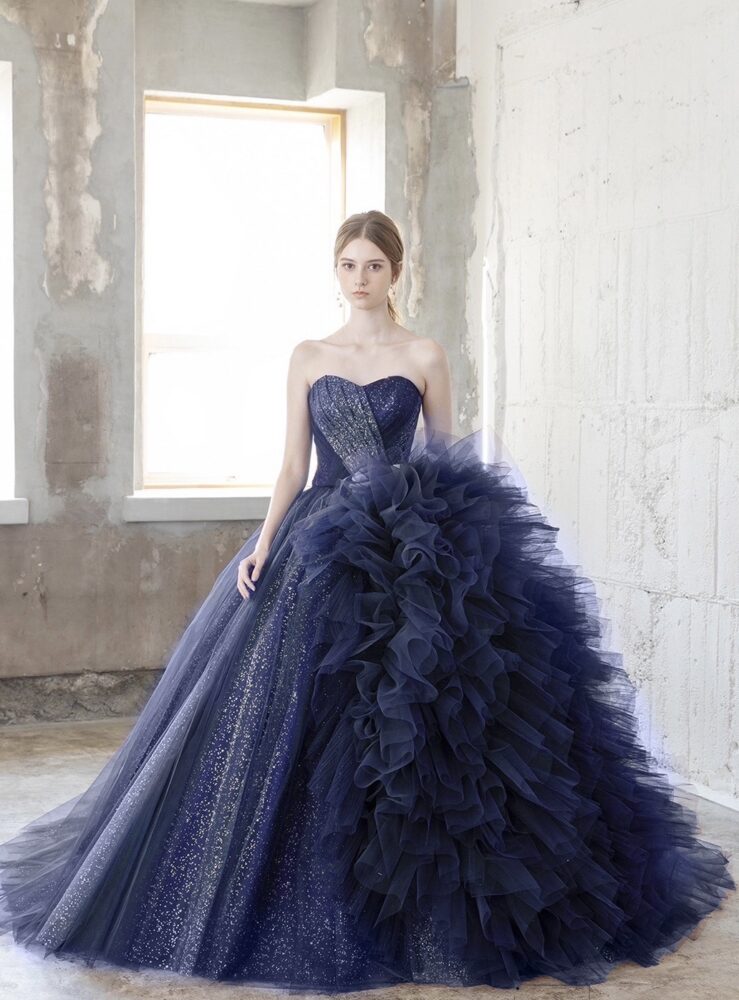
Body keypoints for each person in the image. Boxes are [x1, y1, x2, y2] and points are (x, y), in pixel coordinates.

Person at [0, 210, 734, 993]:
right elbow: (290, 466)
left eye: (373, 266)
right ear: (335, 270)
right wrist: (263, 542)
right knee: (287, 710)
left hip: (407, 544)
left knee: (423, 713)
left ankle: (417, 887)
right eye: (348, 265)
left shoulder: (423, 354)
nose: (359, 278)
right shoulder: (308, 356)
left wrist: (448, 550)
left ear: (395, 272)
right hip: (316, 539)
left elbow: (446, 459)